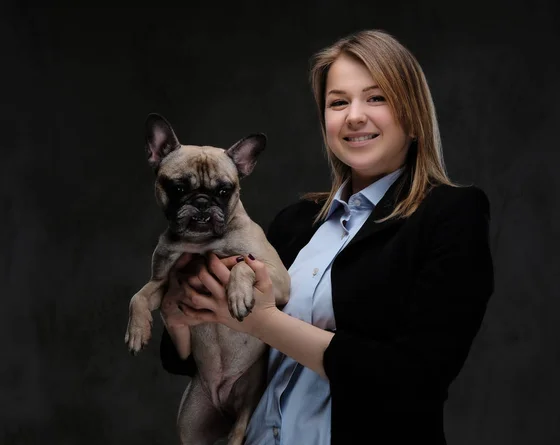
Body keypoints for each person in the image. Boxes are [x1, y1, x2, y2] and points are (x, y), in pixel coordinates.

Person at [158, 29, 494, 445]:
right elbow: (198, 360)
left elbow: (414, 377)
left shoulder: (450, 215)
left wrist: (264, 322)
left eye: (377, 97)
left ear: (413, 113)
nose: (354, 116)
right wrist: (180, 313)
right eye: (338, 102)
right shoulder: (293, 223)